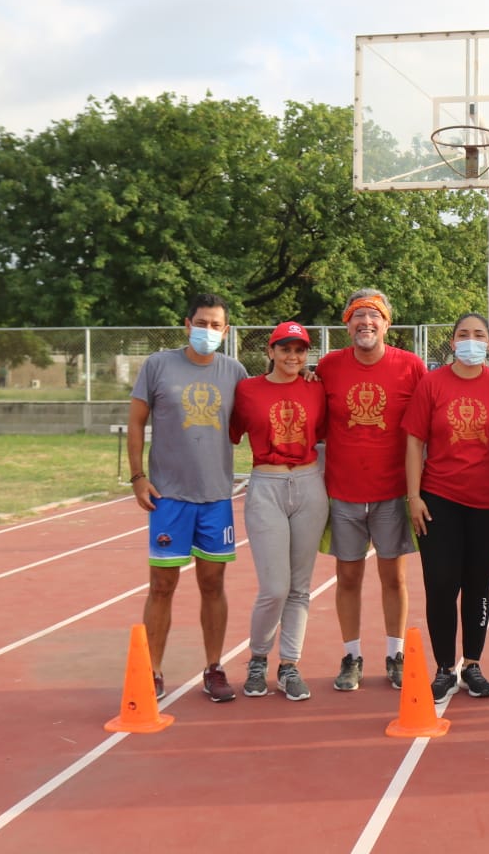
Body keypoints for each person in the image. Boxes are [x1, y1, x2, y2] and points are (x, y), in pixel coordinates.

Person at [127, 292, 249, 702]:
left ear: (226, 331)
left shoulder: (235, 371)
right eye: (202, 323)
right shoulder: (158, 365)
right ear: (187, 324)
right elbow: (135, 422)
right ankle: (152, 670)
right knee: (162, 585)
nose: (208, 331)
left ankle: (214, 668)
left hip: (215, 497)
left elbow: (256, 415)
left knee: (212, 583)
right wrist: (138, 477)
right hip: (169, 497)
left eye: (216, 325)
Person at [316, 289, 426, 692]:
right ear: (346, 324)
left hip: (392, 490)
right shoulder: (328, 367)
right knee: (347, 576)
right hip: (343, 490)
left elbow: (426, 425)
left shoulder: (411, 367)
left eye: (374, 316)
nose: (366, 323)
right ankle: (352, 655)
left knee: (393, 576)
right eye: (357, 316)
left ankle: (395, 653)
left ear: (387, 324)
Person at [402, 313, 489, 702]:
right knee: (441, 584)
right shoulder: (432, 384)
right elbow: (414, 441)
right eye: (463, 335)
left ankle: (473, 664)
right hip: (440, 500)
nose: (471, 340)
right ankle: (444, 667)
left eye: (479, 335)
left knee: (478, 585)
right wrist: (413, 496)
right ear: (451, 342)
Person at [229, 320, 329, 701]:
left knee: (300, 588)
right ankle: (258, 659)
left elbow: (323, 434)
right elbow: (232, 432)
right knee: (274, 587)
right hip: (266, 485)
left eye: (300, 350)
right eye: (285, 349)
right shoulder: (248, 390)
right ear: (270, 351)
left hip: (307, 484)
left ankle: (289, 665)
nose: (292, 356)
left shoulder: (315, 390)